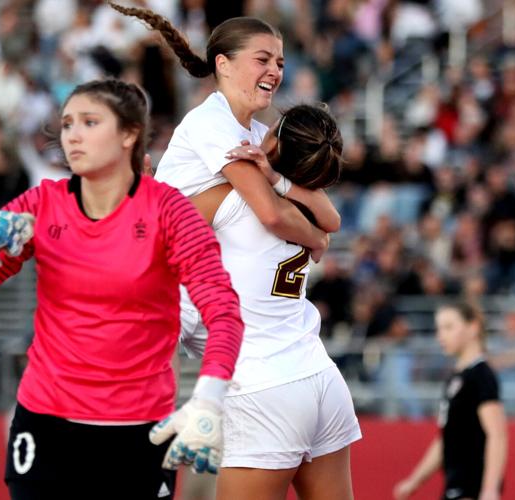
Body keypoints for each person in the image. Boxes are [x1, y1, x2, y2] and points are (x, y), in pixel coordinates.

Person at [0, 79, 244, 500]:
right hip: (46, 423)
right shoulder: (41, 202)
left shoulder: (168, 210)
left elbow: (222, 310)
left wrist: (208, 398)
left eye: (89, 122)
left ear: (129, 133)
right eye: (67, 124)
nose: (72, 135)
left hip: (138, 431)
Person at [110, 5, 360, 500]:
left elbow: (272, 213)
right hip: (316, 373)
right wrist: (313, 236)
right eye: (262, 58)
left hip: (258, 378)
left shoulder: (246, 144)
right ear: (222, 63)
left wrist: (279, 184)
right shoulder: (217, 128)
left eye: (281, 62)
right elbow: (308, 219)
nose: (275, 71)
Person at [394, 302, 508, 500]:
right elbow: (446, 439)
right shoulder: (456, 378)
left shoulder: (480, 376)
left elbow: (497, 434)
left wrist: (490, 489)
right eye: (439, 328)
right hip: (455, 483)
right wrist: (415, 481)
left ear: (473, 328)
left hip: (472, 485)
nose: (440, 335)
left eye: (448, 327)